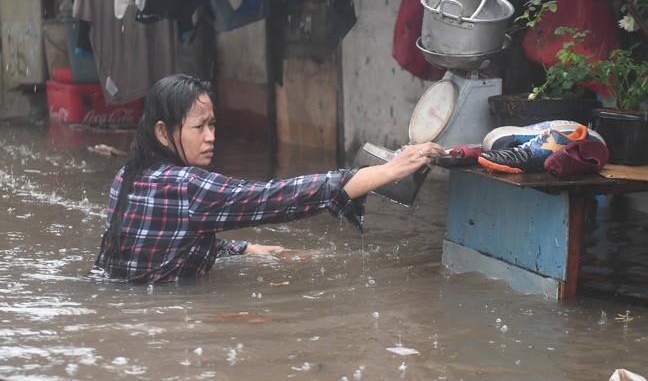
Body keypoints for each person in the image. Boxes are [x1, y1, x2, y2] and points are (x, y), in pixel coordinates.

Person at [90, 74, 445, 283]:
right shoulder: (188, 186)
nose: (211, 136)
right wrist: (387, 171)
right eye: (199, 127)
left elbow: (164, 244)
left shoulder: (127, 176)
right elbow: (277, 198)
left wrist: (244, 250)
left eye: (212, 124)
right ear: (164, 133)